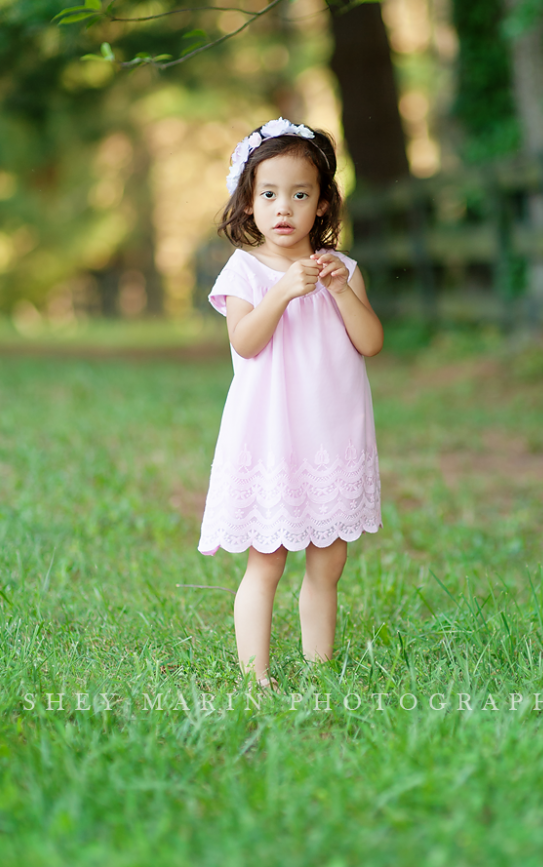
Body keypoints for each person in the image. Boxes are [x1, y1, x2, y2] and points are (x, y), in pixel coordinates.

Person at [198, 117, 383, 687]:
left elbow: (370, 342)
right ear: (248, 204)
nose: (285, 208)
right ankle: (257, 678)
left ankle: (320, 665)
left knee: (329, 557)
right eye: (269, 195)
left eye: (300, 195)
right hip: (273, 434)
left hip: (330, 433)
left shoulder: (344, 270)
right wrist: (280, 292)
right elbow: (245, 342)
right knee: (268, 559)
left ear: (323, 204)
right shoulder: (246, 272)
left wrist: (337, 289)